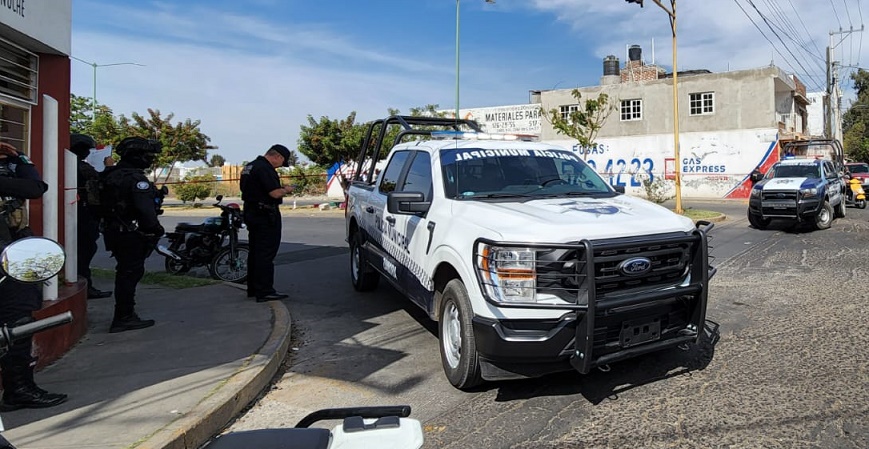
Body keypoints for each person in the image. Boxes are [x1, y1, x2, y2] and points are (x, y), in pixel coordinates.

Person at [0, 142, 67, 410]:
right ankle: (18, 390)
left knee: (18, 321)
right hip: (7, 263)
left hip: (10, 254)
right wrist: (21, 158)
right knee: (18, 321)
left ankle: (19, 387)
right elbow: (35, 187)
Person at [100, 137, 163, 333]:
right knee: (130, 273)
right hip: (131, 233)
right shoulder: (136, 180)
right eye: (147, 156)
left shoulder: (110, 175)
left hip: (113, 230)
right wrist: (155, 229)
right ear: (136, 156)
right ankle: (124, 316)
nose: (149, 159)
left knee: (125, 272)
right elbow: (145, 211)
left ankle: (124, 314)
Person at [240, 144, 294, 302]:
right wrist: (287, 189)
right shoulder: (265, 168)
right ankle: (265, 291)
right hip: (265, 214)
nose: (279, 166)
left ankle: (253, 288)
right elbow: (274, 192)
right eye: (281, 162)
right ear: (277, 157)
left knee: (255, 252)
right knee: (265, 253)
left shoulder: (249, 166)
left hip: (252, 211)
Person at [70, 134, 112, 299]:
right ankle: (85, 286)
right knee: (85, 250)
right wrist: (108, 167)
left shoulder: (67, 164)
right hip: (84, 214)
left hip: (77, 212)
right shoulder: (82, 167)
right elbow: (102, 183)